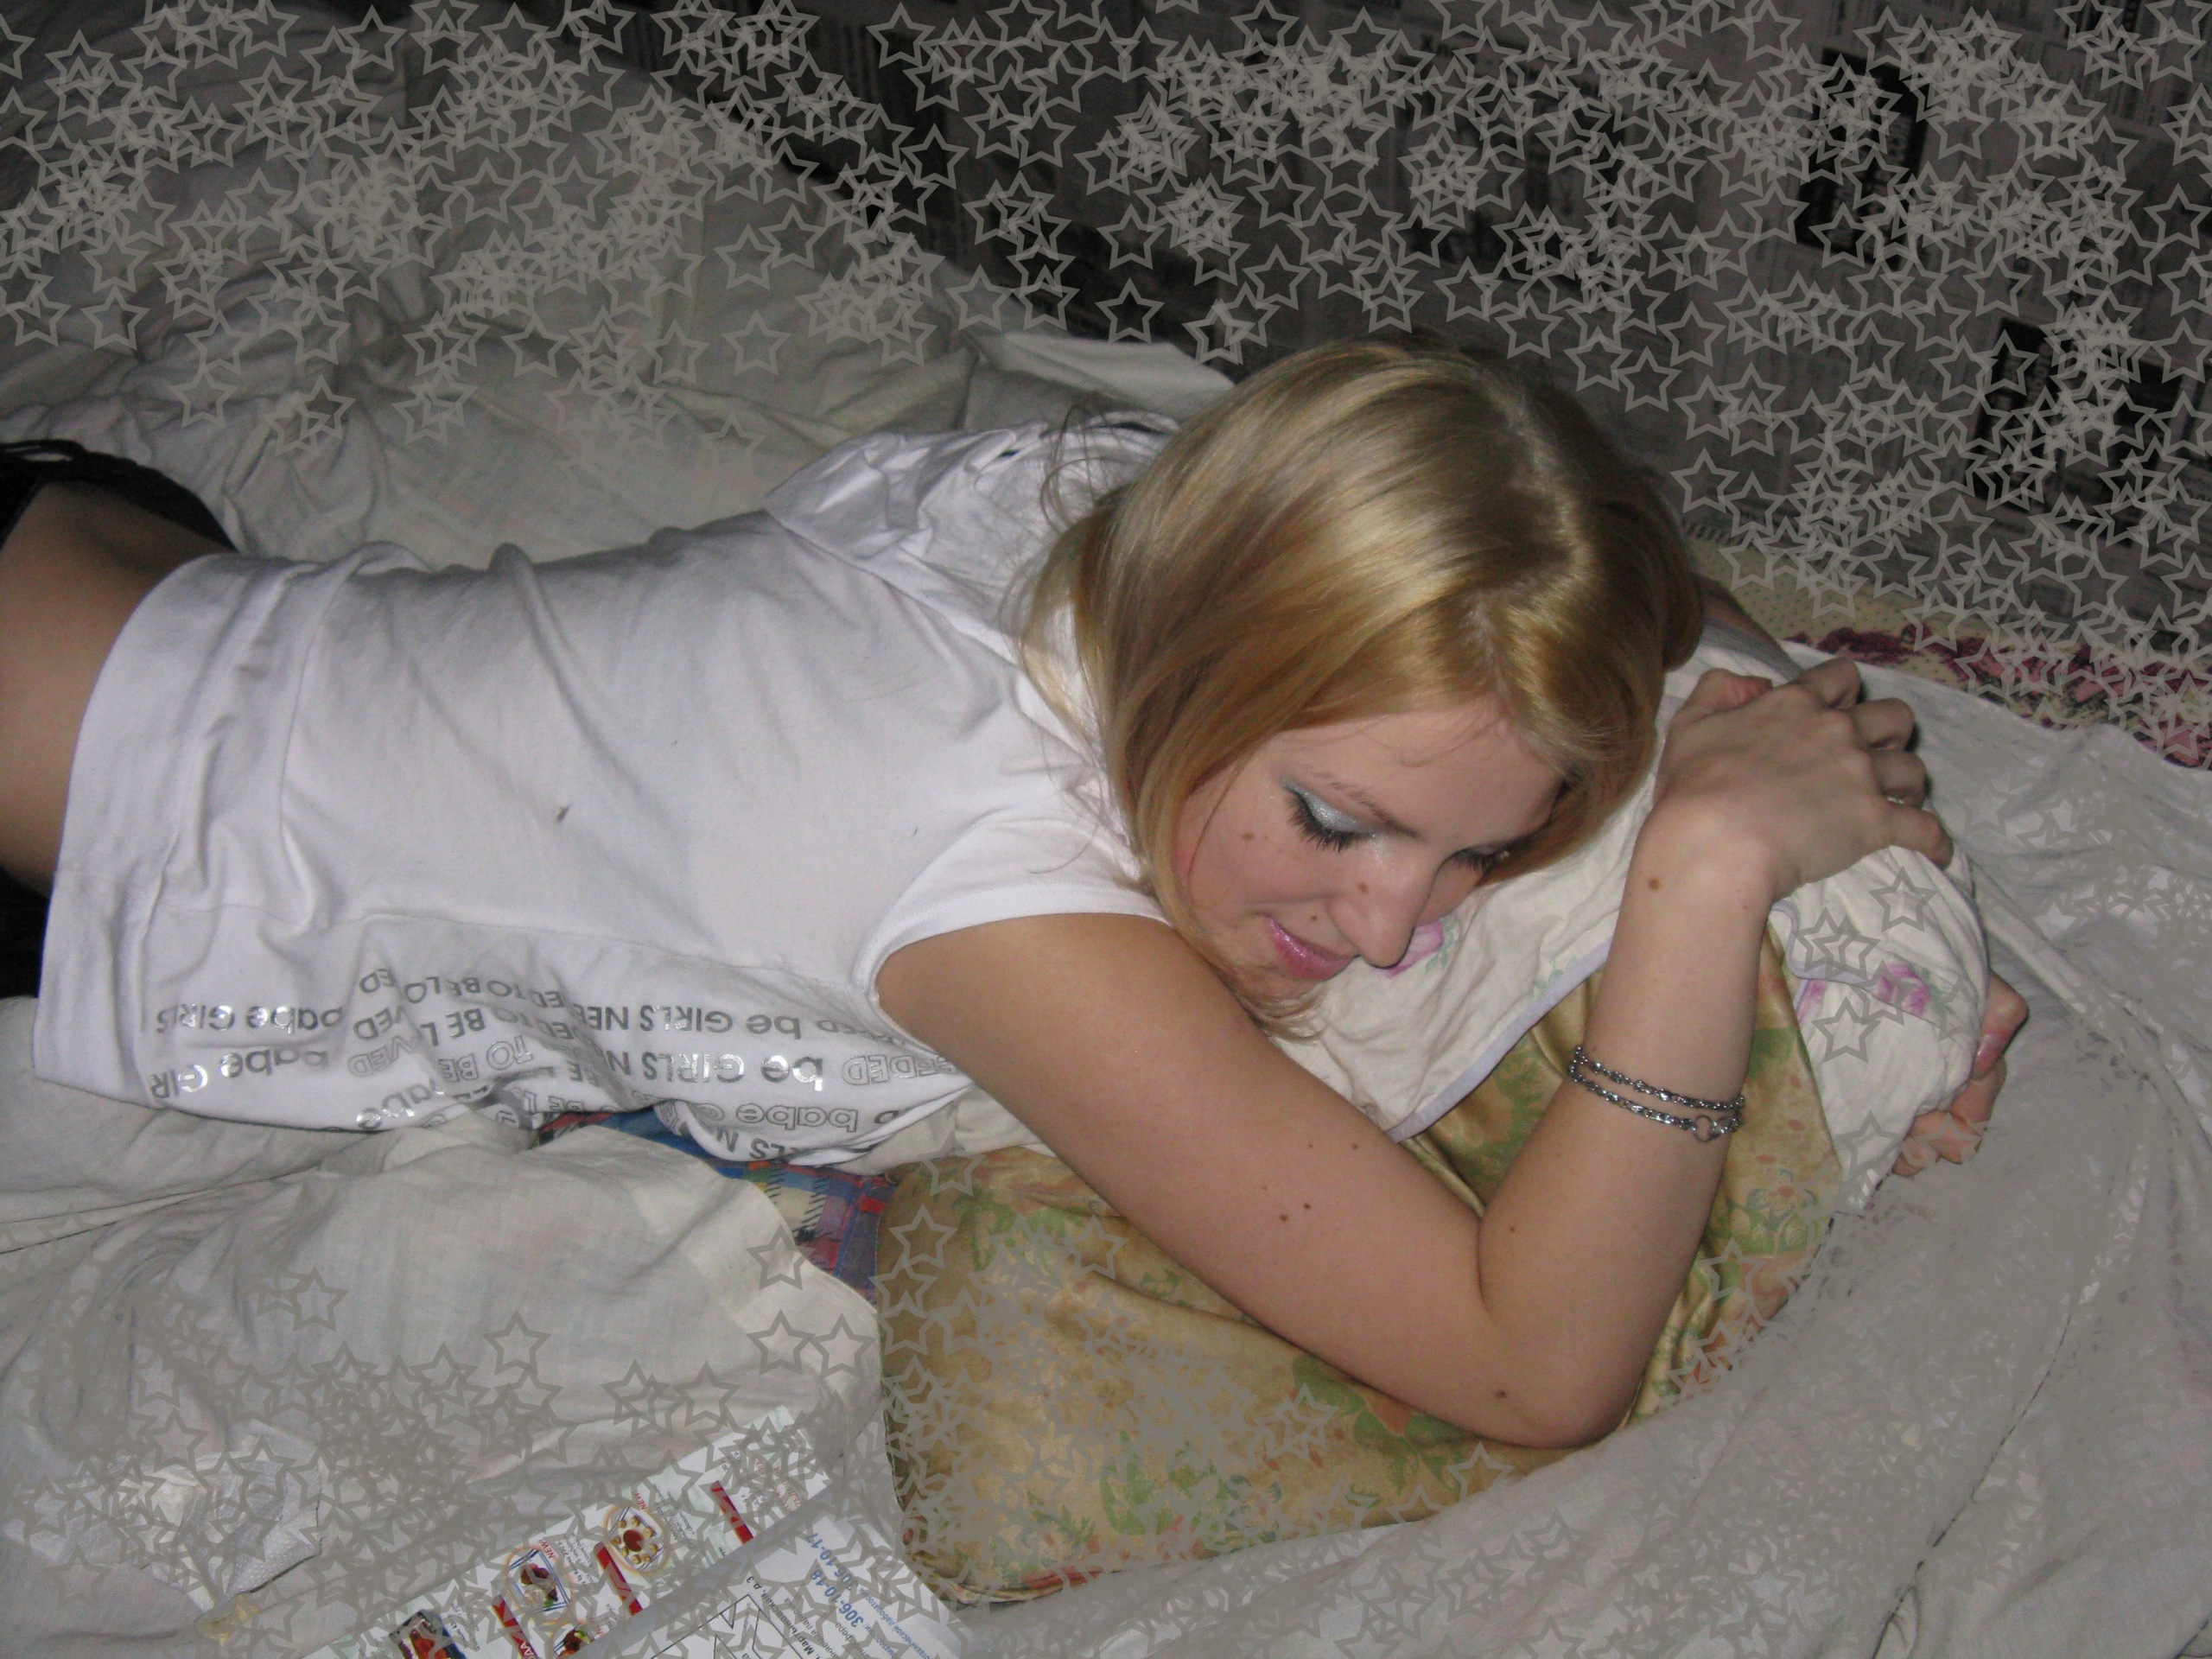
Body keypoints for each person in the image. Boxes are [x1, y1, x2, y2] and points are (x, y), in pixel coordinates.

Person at [0, 333, 2021, 1448]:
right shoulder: (982, 888)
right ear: (1217, 665)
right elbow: (1523, 1367)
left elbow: (1588, 578)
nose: (1394, 924)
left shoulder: (1156, 502)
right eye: (1334, 822)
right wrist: (1698, 886)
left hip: (123, 567)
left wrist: (1880, 953)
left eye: (1476, 856)